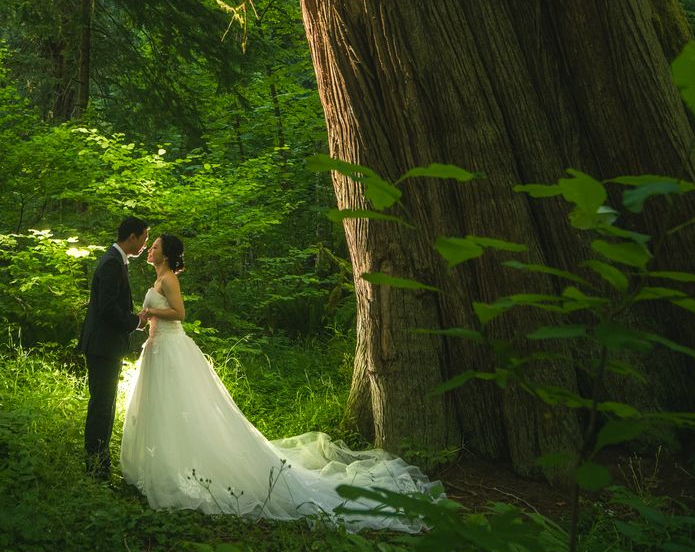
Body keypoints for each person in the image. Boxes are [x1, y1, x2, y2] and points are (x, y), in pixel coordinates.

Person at [120, 234, 440, 530]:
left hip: (173, 349)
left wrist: (150, 312)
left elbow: (179, 313)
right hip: (158, 350)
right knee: (164, 411)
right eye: (152, 245)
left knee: (185, 409)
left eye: (157, 245)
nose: (151, 248)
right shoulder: (158, 278)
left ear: (167, 254)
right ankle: (163, 468)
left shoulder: (169, 279)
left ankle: (185, 471)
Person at [78, 215, 149, 478]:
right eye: (144, 238)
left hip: (105, 345)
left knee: (104, 404)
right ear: (132, 237)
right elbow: (107, 309)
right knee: (101, 405)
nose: (145, 244)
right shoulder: (111, 263)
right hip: (102, 346)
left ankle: (99, 462)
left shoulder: (116, 260)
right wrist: (135, 322)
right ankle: (96, 467)